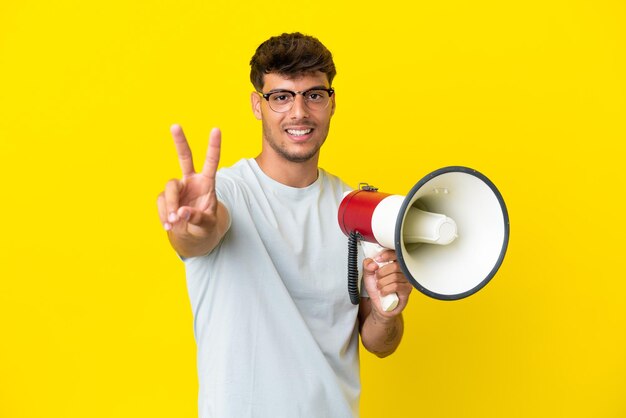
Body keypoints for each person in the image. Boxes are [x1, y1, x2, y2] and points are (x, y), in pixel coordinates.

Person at [157, 32, 413, 418]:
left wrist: (385, 313)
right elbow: (198, 237)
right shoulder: (225, 194)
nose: (299, 113)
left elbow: (380, 344)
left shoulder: (354, 210)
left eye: (313, 94)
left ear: (332, 102)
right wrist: (192, 225)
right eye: (281, 97)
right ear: (257, 106)